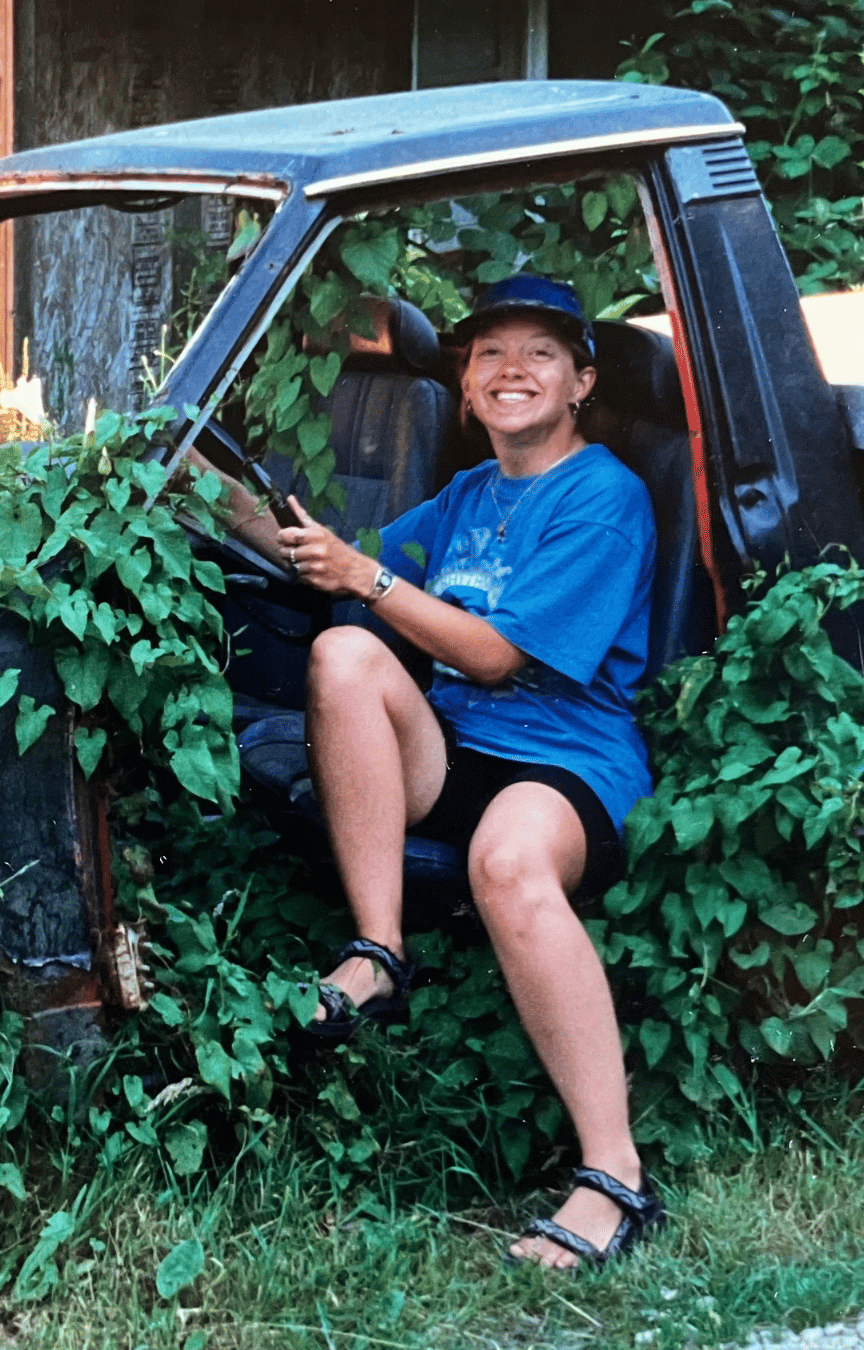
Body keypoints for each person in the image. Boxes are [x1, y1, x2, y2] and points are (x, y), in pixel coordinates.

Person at [215, 274, 665, 1269]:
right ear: (465, 384)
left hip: (567, 762)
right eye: (488, 352)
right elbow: (330, 564)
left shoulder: (604, 497)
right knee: (343, 655)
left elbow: (499, 655)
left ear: (582, 380)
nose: (510, 370)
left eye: (539, 352)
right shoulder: (467, 495)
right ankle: (380, 951)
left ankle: (615, 1176)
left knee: (506, 862)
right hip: (462, 751)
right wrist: (217, 495)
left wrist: (366, 577)